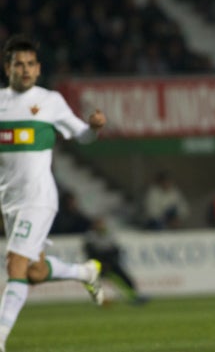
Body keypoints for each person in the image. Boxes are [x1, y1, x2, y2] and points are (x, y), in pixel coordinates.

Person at [0, 34, 107, 351]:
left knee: (15, 265)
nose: (25, 70)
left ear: (38, 68)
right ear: (8, 68)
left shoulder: (50, 101)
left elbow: (82, 136)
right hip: (9, 201)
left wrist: (95, 127)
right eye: (19, 64)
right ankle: (85, 271)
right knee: (33, 272)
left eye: (30, 64)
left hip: (39, 198)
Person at [83, 217, 148, 305]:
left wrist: (111, 261)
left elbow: (115, 250)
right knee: (104, 280)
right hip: (98, 264)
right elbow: (90, 253)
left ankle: (134, 296)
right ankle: (103, 299)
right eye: (98, 224)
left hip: (111, 262)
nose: (100, 226)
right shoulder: (91, 238)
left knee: (125, 278)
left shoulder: (109, 235)